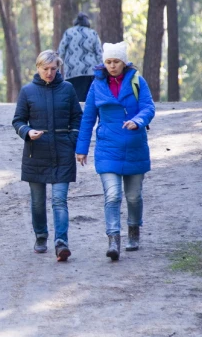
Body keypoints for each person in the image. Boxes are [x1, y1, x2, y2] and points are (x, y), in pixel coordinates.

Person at [75, 42, 155, 261]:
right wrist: (81, 149)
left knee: (133, 197)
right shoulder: (96, 85)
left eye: (116, 62)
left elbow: (149, 107)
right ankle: (113, 240)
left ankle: (133, 231)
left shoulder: (138, 81)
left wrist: (137, 121)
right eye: (108, 62)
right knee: (112, 196)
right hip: (107, 149)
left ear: (124, 62)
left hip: (134, 147)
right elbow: (88, 117)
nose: (112, 66)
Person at [12, 50, 82, 261]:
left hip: (63, 153)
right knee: (37, 202)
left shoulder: (68, 89)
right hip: (36, 154)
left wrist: (71, 140)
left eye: (53, 69)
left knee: (60, 200)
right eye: (45, 69)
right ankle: (41, 235)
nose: (50, 73)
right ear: (38, 68)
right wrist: (27, 132)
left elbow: (77, 118)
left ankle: (61, 243)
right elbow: (18, 120)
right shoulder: (27, 91)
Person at [57, 12, 103, 102]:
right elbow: (99, 53)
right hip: (90, 72)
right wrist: (101, 71)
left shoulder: (69, 33)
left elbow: (61, 51)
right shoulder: (92, 33)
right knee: (89, 100)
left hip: (72, 72)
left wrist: (58, 67)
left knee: (75, 100)